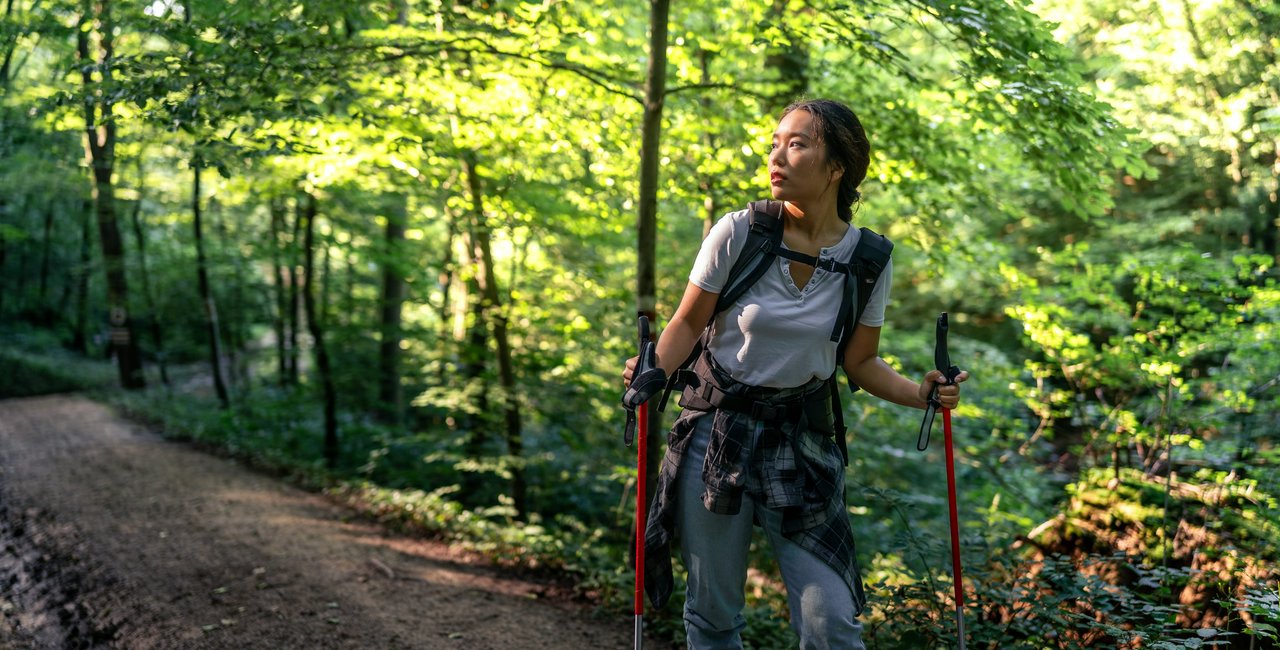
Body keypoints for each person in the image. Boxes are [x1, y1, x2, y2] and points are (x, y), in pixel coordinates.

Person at [622, 98, 969, 650]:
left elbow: (860, 362)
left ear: (837, 168)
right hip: (716, 432)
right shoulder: (739, 231)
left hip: (803, 442)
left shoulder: (868, 259)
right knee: (712, 616)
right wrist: (651, 371)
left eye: (798, 143)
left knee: (831, 622)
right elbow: (687, 324)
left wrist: (922, 394)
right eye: (775, 142)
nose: (776, 155)